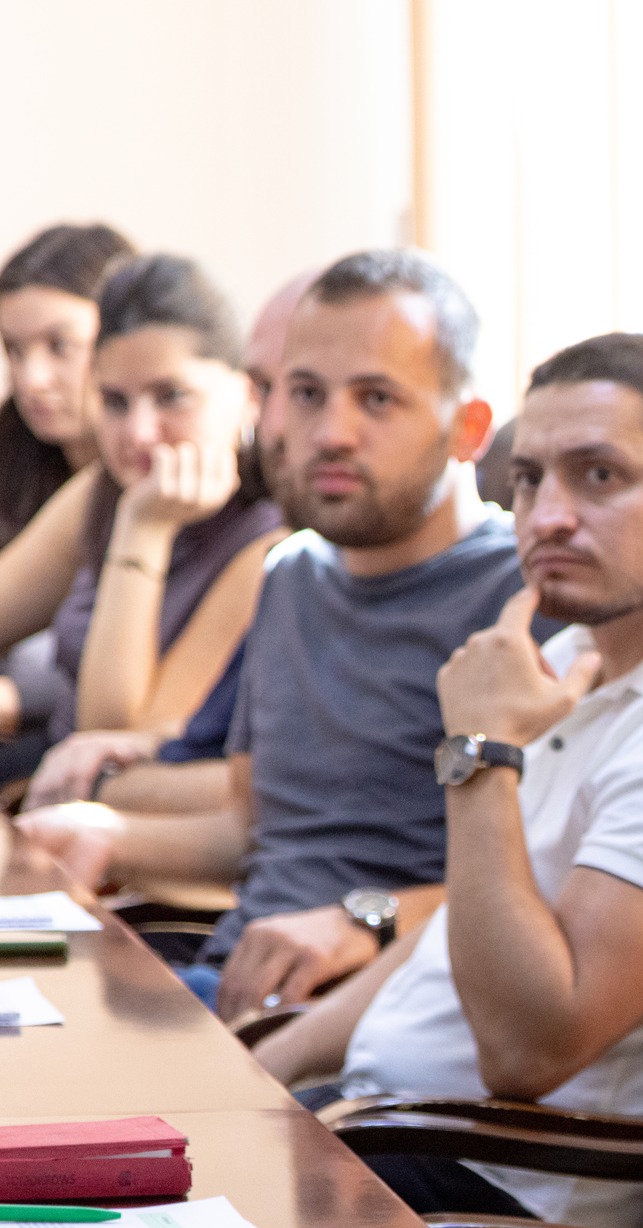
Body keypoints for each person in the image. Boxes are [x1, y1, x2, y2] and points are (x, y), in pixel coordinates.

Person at [251, 332, 643, 1228]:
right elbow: (454, 932)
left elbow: (527, 1049)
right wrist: (261, 1073)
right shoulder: (586, 651)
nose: (547, 516)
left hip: (494, 1199)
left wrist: (477, 754)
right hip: (386, 1130)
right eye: (526, 480)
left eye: (600, 476)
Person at [15, 249, 523, 1018]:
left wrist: (369, 918)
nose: (331, 433)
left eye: (376, 399)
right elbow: (256, 828)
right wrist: (101, 833)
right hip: (229, 986)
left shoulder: (522, 594)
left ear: (468, 427)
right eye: (308, 394)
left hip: (376, 1016)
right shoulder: (291, 574)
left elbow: (553, 888)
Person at [23, 266, 323, 813]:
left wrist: (145, 529)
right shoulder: (104, 489)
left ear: (248, 396)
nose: (140, 432)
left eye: (172, 397)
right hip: (42, 783)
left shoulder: (270, 541)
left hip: (115, 813)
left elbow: (114, 736)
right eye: (115, 402)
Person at [0, 223, 135, 773]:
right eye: (13, 349)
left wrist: (19, 696)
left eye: (60, 346)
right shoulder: (11, 454)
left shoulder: (147, 487)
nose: (31, 378)